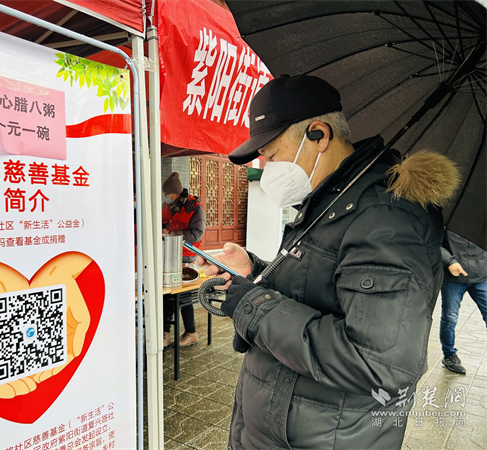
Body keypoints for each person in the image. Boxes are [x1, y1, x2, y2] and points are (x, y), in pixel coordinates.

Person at [196, 75, 460, 448]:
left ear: (319, 134)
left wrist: (254, 307)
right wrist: (254, 270)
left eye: (272, 155)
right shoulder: (331, 201)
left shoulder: (386, 219)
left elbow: (379, 363)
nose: (267, 168)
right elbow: (316, 288)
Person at [161, 172, 206, 348]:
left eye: (168, 194)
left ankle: (190, 333)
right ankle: (166, 333)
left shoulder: (195, 208)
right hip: (168, 255)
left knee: (183, 297)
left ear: (177, 193)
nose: (166, 197)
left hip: (186, 257)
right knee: (167, 295)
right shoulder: (168, 206)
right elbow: (164, 223)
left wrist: (172, 234)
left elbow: (196, 234)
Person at [439, 230, 487, 374]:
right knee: (450, 318)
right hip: (453, 279)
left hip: (481, 277)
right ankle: (449, 355)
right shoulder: (450, 220)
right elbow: (434, 244)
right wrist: (449, 261)